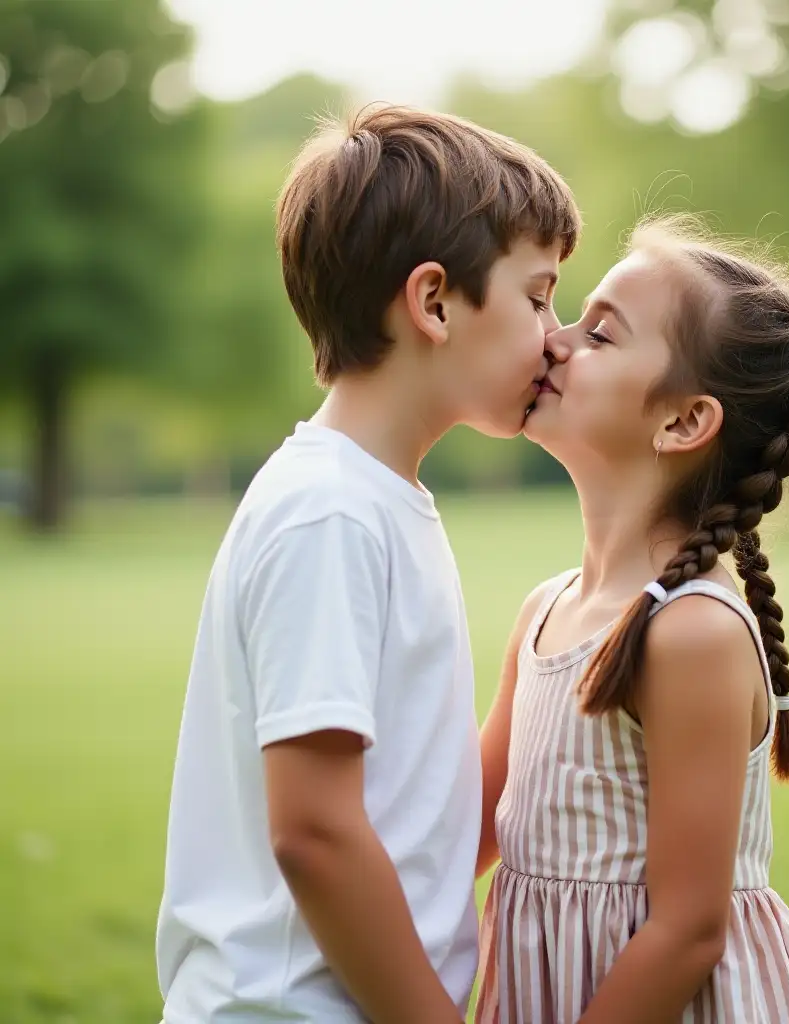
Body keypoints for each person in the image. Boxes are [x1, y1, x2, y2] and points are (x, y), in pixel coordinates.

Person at [156, 104, 580, 1024]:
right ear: (434, 302)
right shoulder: (330, 512)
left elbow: (421, 822)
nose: (558, 333)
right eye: (538, 295)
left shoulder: (380, 500)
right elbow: (314, 832)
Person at [476, 217, 789, 1023]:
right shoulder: (547, 610)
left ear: (682, 421)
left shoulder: (692, 633)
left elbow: (687, 931)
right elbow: (469, 826)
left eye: (599, 334)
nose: (554, 340)